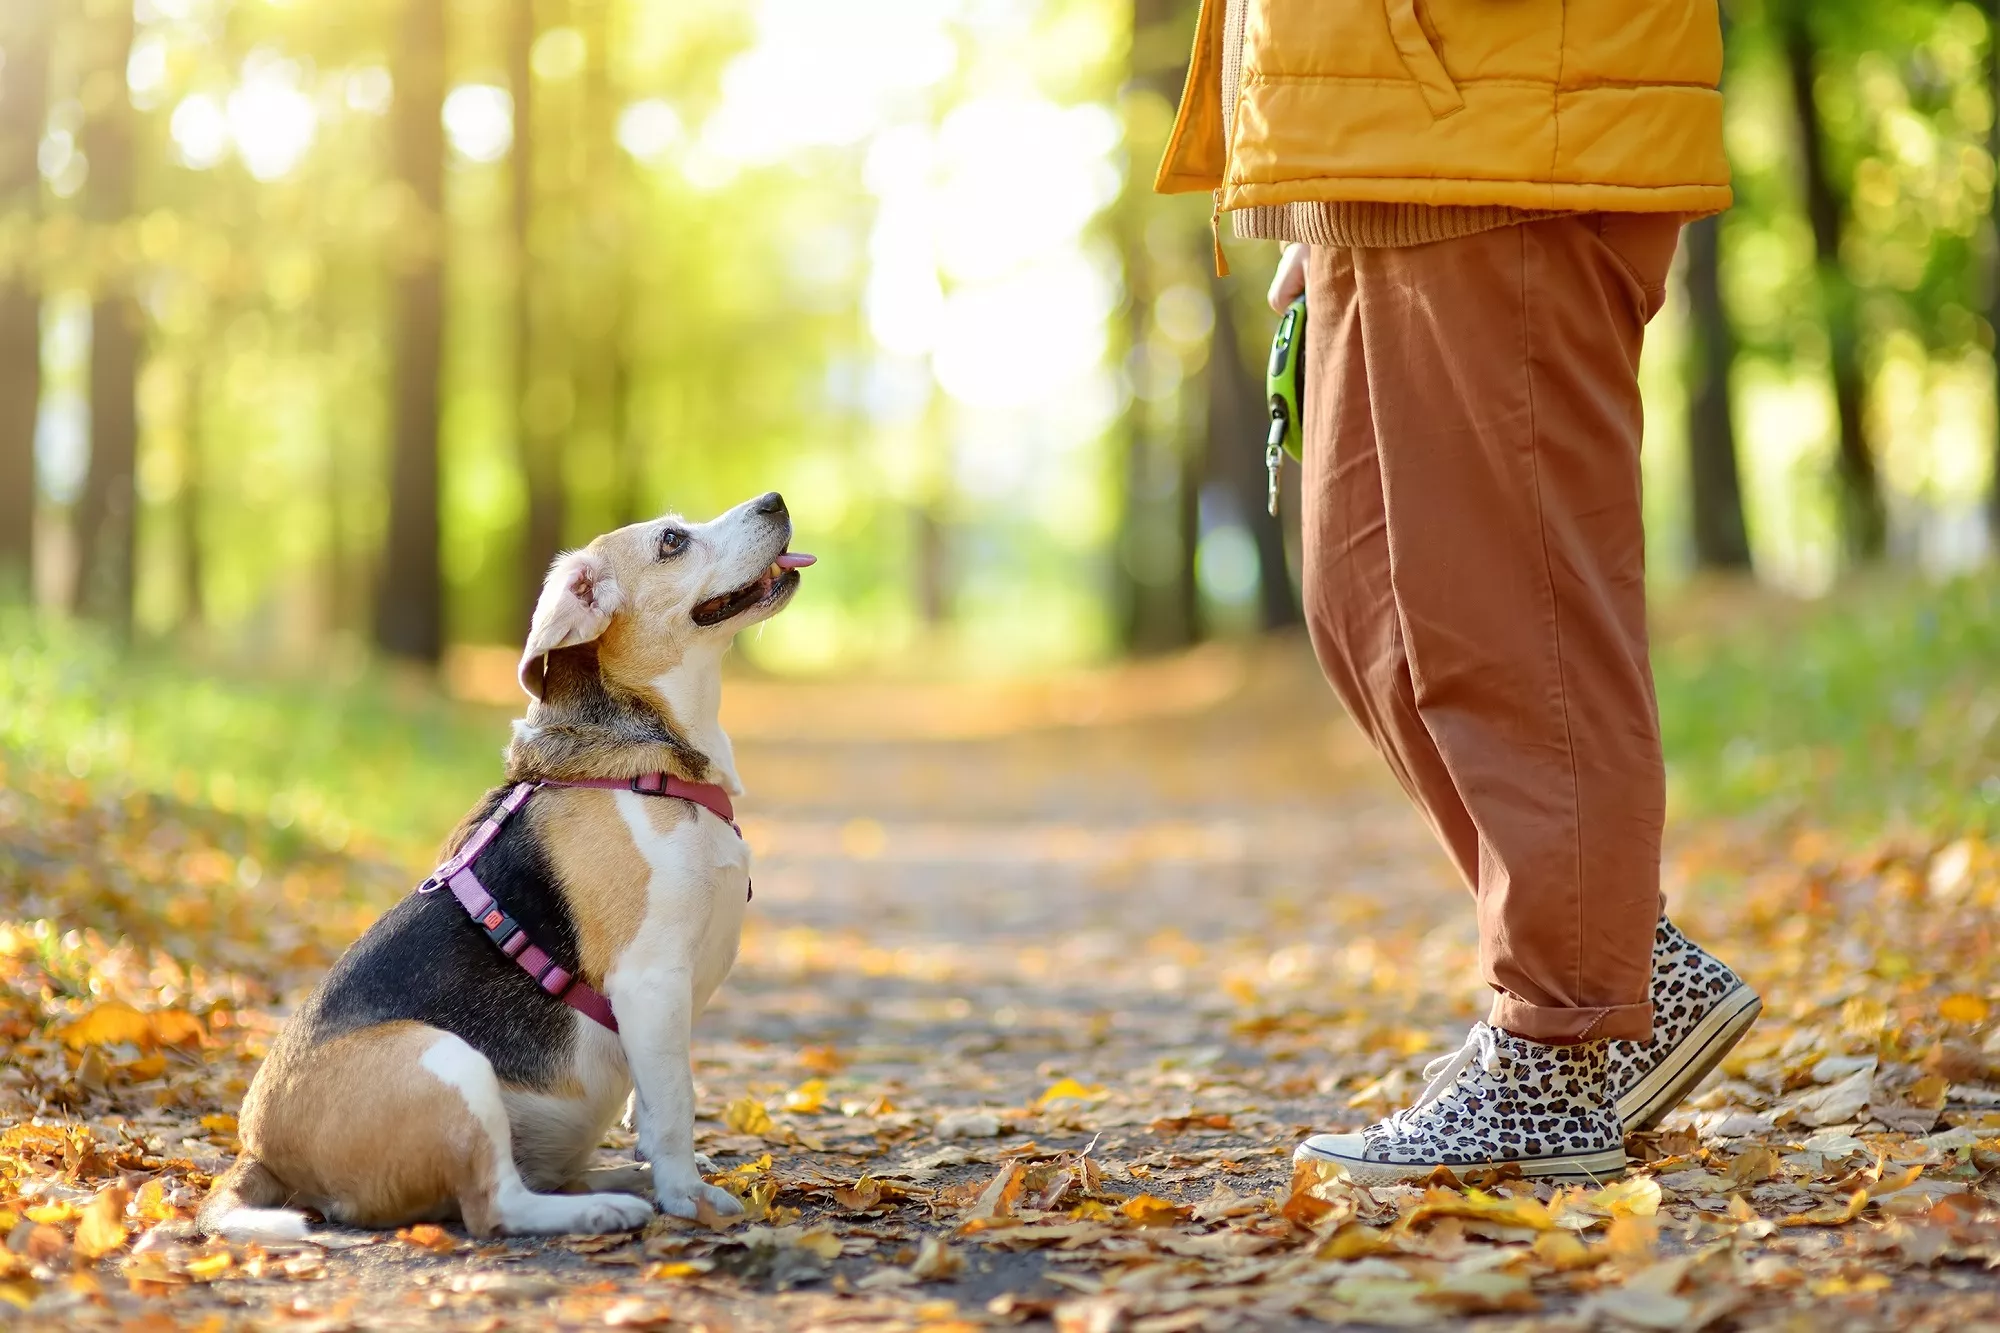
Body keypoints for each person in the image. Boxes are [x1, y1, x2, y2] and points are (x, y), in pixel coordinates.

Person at [1156, 0, 1761, 1181]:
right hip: (1385, 141)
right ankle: (1621, 960)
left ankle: (1554, 1053)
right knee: (1364, 604)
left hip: (1506, 126)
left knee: (1508, 620)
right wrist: (1323, 163)